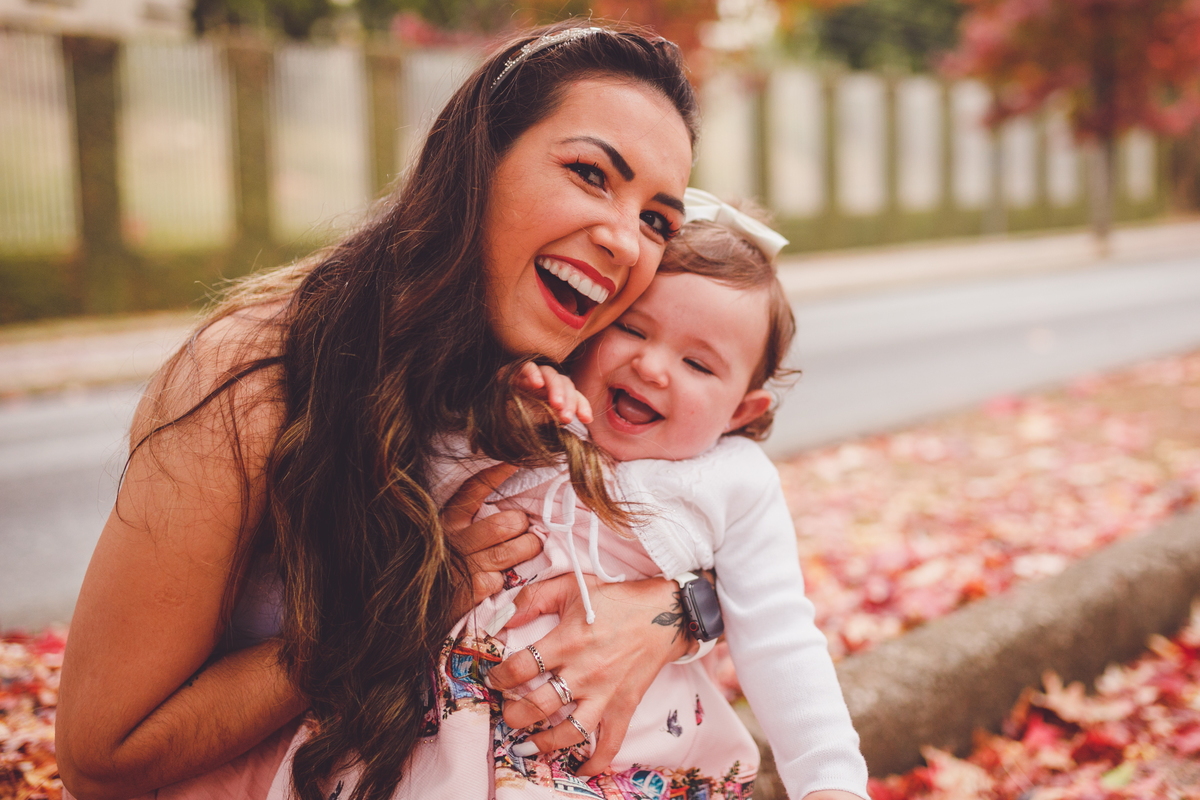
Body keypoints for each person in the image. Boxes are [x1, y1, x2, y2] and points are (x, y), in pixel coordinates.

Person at [55, 22, 708, 800]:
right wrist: (412, 605)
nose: (626, 242)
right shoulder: (254, 379)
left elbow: (736, 516)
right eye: (591, 174)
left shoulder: (584, 382)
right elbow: (101, 757)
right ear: (476, 162)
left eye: (657, 220)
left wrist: (677, 612)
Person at [266, 193, 871, 799]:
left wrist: (830, 782)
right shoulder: (534, 412)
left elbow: (780, 637)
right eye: (632, 328)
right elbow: (418, 492)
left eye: (698, 364)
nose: (652, 367)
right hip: (433, 743)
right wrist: (496, 414)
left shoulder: (733, 482)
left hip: (609, 763)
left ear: (742, 411)